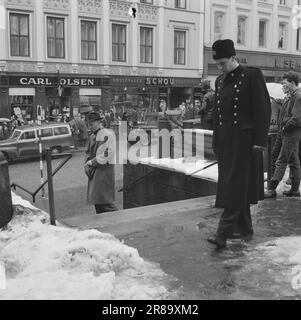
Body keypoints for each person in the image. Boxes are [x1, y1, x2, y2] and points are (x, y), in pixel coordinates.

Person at [207, 39, 271, 249]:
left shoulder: (252, 75)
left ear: (233, 58)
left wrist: (260, 141)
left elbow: (263, 109)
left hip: (244, 142)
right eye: (217, 64)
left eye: (223, 63)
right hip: (226, 142)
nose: (220, 67)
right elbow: (218, 115)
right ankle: (245, 227)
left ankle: (222, 233)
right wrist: (216, 140)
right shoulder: (220, 81)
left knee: (234, 186)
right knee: (234, 184)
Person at [265, 71, 301, 198]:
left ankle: (271, 188)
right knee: (292, 161)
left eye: (285, 83)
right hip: (284, 132)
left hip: (290, 133)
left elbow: (297, 118)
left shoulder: (298, 96)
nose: (282, 86)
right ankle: (295, 190)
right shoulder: (290, 96)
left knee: (281, 159)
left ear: (292, 83)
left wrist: (285, 126)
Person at [85, 112, 118, 214]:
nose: (89, 126)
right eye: (88, 124)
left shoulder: (107, 134)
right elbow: (87, 152)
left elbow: (108, 152)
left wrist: (92, 162)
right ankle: (103, 223)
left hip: (103, 173)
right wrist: (87, 163)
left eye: (91, 124)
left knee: (105, 202)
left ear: (98, 122)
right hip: (94, 172)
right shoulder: (92, 136)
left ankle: (119, 221)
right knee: (98, 201)